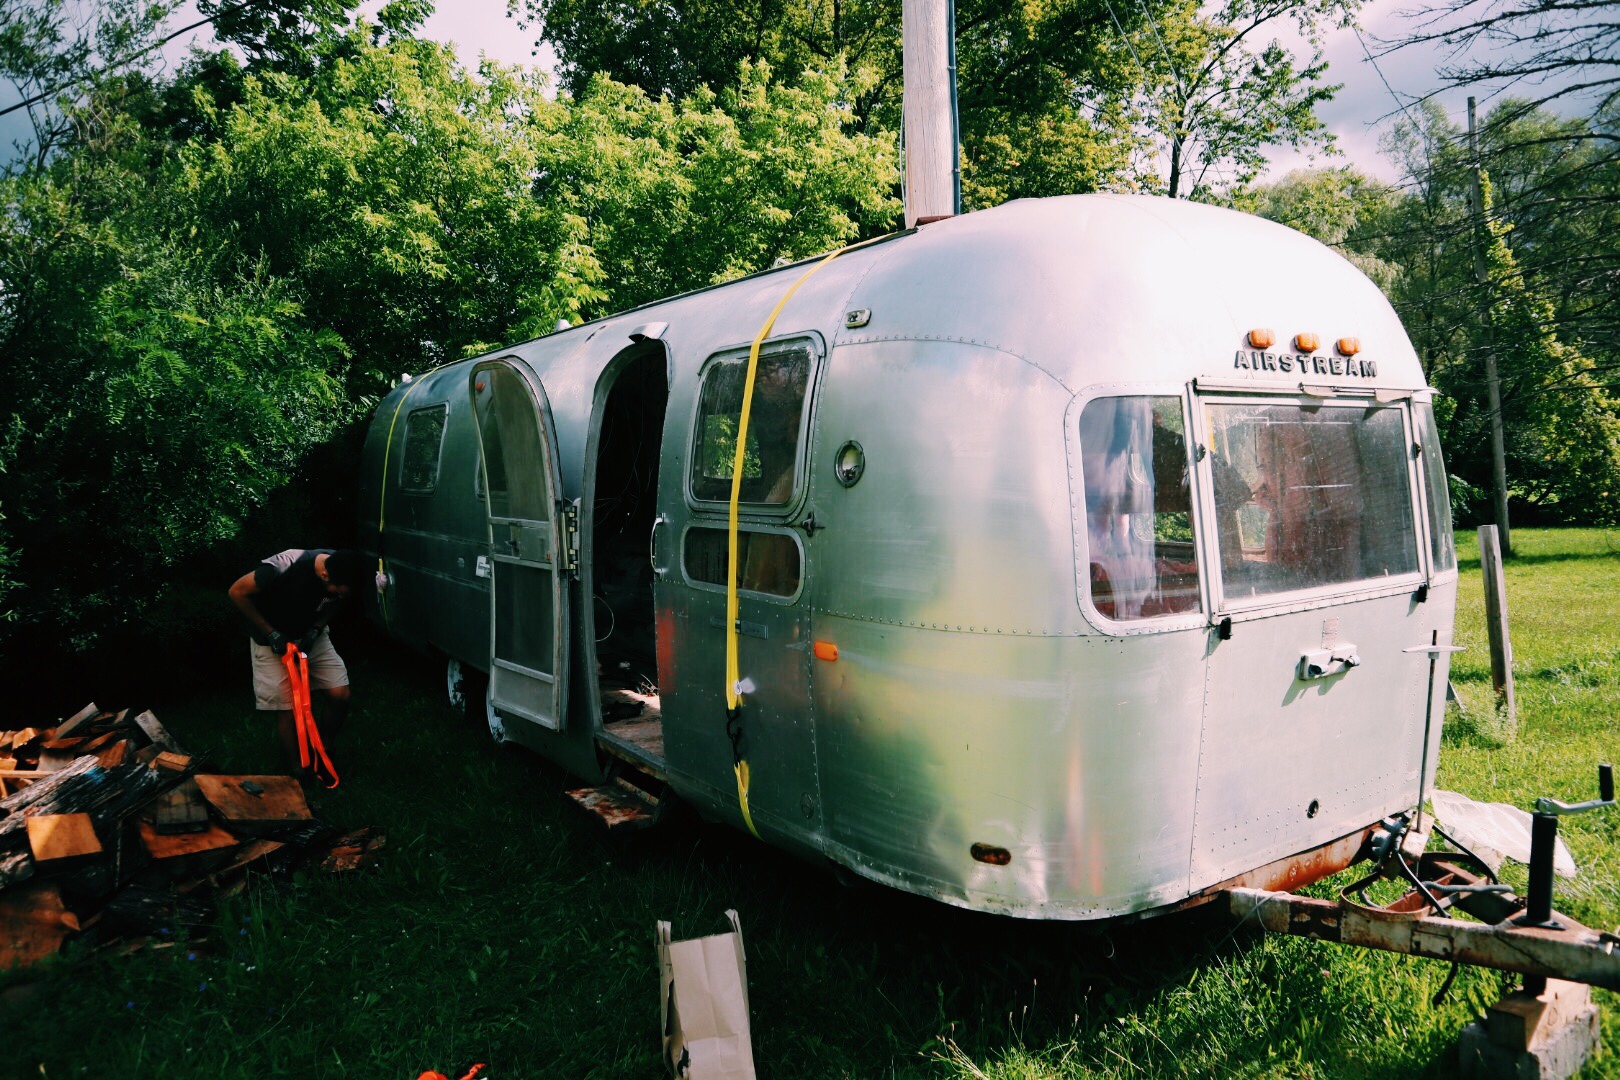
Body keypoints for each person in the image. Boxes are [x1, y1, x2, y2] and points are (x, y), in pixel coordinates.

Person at [229, 548, 368, 772]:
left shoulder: (341, 566)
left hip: (309, 635)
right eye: (338, 591)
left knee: (339, 694)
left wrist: (316, 628)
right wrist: (271, 633)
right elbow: (236, 592)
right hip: (270, 641)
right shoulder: (282, 567)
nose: (340, 596)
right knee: (289, 708)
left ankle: (323, 751)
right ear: (325, 575)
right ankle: (297, 770)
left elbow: (336, 600)